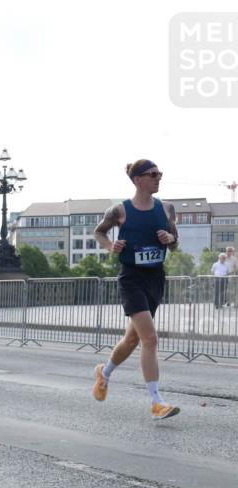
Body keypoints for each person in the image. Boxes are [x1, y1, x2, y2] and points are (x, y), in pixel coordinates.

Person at [92, 159, 181, 419]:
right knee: (150, 338)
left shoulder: (166, 208)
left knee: (132, 339)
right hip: (131, 278)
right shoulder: (120, 210)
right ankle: (156, 402)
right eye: (153, 174)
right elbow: (99, 233)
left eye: (160, 173)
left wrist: (170, 238)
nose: (158, 178)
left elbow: (175, 244)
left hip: (155, 277)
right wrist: (111, 246)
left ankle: (104, 373)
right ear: (138, 179)